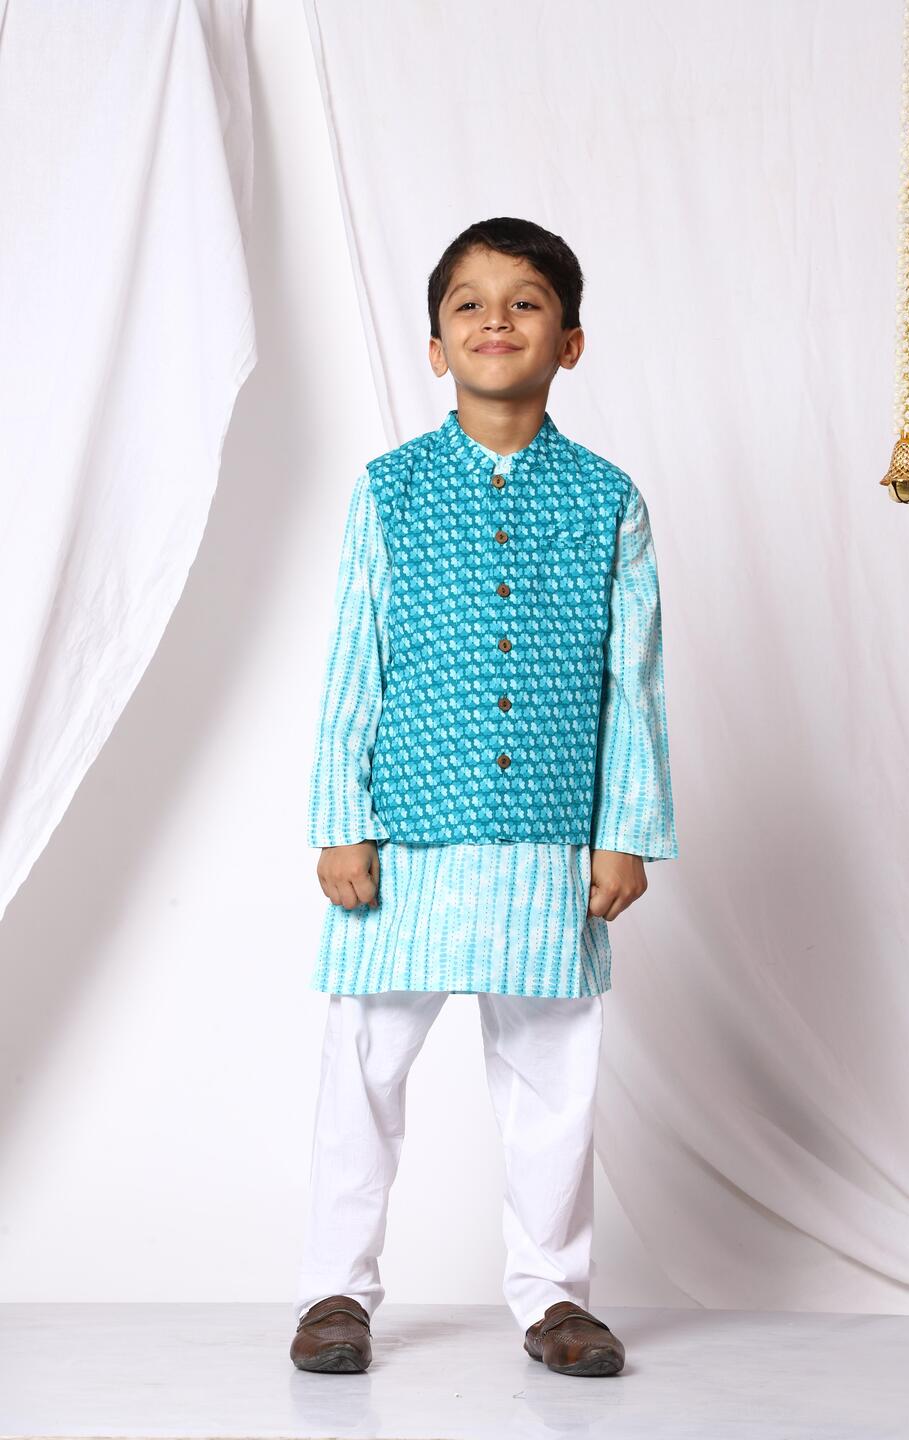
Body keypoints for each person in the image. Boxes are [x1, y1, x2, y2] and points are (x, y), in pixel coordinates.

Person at [289, 217, 679, 1378]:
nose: (495, 319)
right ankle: (335, 1292)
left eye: (525, 302)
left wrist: (625, 832)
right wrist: (341, 821)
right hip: (404, 838)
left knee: (553, 1077)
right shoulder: (391, 491)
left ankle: (554, 1298)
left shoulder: (608, 499)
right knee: (364, 1068)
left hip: (551, 841)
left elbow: (634, 676)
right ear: (434, 345)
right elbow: (353, 660)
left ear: (570, 342)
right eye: (468, 302)